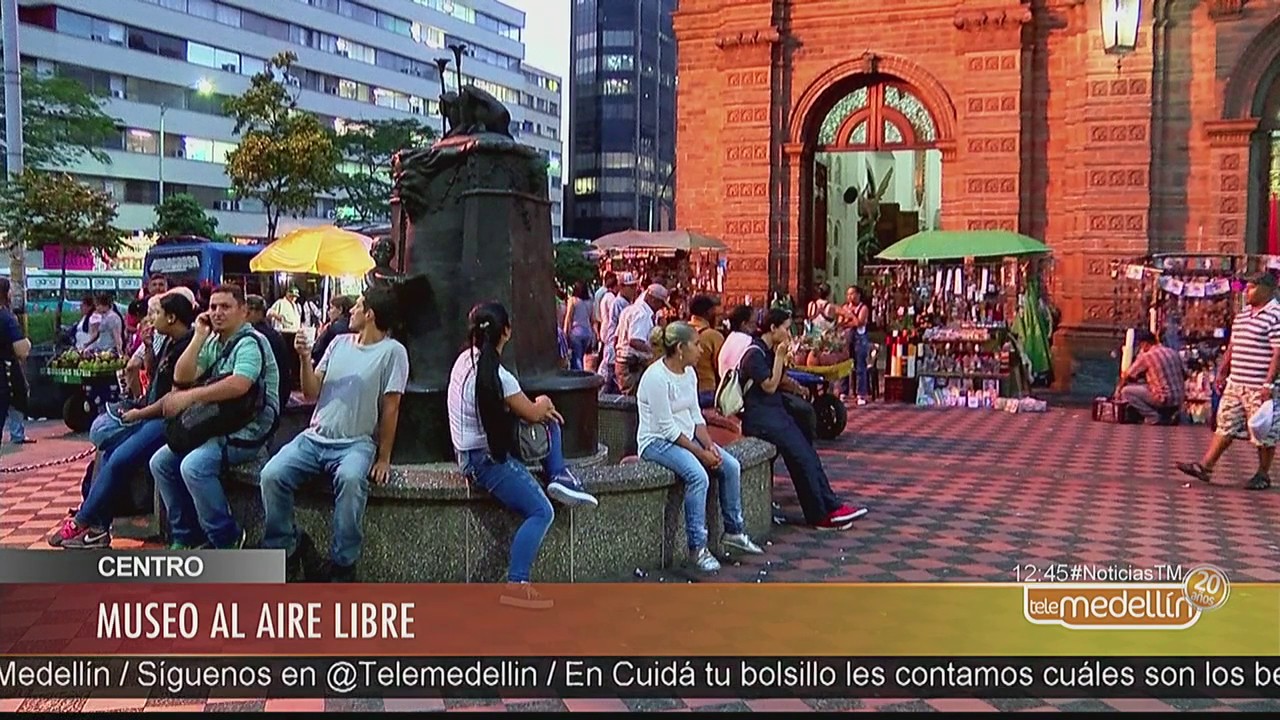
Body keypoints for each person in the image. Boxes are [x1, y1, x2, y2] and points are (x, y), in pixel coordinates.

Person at [447, 302, 598, 609]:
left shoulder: (463, 362)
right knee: (543, 511)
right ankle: (517, 584)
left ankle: (557, 475)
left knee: (545, 418)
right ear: (507, 332)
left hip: (468, 452)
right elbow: (533, 411)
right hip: (484, 461)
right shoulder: (500, 377)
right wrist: (543, 399)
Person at [258, 287, 410, 582]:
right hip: (315, 437)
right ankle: (286, 547)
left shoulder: (393, 352)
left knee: (352, 480)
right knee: (272, 475)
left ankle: (343, 564)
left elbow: (392, 408)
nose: (351, 310)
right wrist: (304, 358)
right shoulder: (338, 343)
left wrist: (384, 458)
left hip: (356, 443)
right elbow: (312, 391)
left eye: (358, 306)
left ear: (370, 315)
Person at [50, 292, 196, 549]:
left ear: (172, 317)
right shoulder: (170, 341)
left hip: (169, 419)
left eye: (157, 313)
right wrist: (150, 347)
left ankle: (84, 520)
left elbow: (174, 398)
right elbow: (152, 376)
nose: (151, 318)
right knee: (107, 451)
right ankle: (98, 529)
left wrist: (139, 414)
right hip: (151, 412)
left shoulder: (189, 346)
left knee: (119, 459)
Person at [149, 284, 281, 550]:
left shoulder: (251, 342)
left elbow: (239, 384)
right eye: (213, 307)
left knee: (194, 466)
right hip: (218, 421)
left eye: (225, 307)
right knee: (160, 461)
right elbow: (182, 376)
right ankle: (186, 534)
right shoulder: (214, 341)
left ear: (243, 311)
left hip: (249, 428)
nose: (218, 313)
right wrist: (198, 336)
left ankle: (226, 538)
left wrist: (191, 397)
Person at [636, 321, 763, 572]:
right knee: (698, 477)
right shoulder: (656, 377)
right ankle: (697, 547)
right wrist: (701, 454)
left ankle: (734, 532)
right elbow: (667, 429)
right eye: (696, 345)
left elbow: (696, 416)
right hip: (657, 441)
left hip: (686, 437)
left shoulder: (690, 373)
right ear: (681, 348)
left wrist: (710, 446)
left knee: (731, 466)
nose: (701, 350)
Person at [739, 308, 868, 528]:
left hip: (774, 413)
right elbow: (770, 386)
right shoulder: (754, 354)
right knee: (801, 456)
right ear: (773, 328)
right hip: (761, 417)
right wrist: (780, 358)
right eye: (786, 329)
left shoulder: (767, 351)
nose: (789, 334)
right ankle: (819, 514)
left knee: (807, 454)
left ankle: (831, 505)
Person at [1178, 271, 1280, 491]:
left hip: (1259, 384)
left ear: (1267, 290)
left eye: (1252, 287)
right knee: (1226, 423)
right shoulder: (1243, 315)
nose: (1247, 292)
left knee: (1263, 431)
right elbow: (1233, 345)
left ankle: (1263, 473)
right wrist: (1223, 371)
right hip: (1237, 381)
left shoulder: (1275, 315)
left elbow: (1277, 352)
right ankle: (1206, 466)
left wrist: (1268, 384)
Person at [1117, 329, 1184, 425]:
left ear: (1145, 344)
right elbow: (1184, 374)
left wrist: (1118, 389)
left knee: (1126, 391)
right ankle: (1168, 414)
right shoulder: (1172, 352)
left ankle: (1152, 416)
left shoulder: (1146, 356)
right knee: (1147, 386)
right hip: (1179, 398)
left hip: (1163, 398)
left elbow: (1127, 375)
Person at [614, 283, 670, 395]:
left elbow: (616, 338)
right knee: (632, 399)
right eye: (660, 304)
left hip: (622, 361)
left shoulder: (629, 310)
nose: (660, 308)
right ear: (654, 300)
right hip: (632, 365)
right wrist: (654, 353)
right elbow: (634, 341)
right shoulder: (643, 314)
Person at [0, 279, 31, 446]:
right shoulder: (7, 318)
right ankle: (17, 433)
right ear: (6, 293)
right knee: (16, 400)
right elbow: (22, 350)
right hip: (5, 374)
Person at [246, 294, 292, 406]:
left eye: (245, 311)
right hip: (280, 395)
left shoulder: (255, 336)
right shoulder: (273, 333)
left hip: (266, 401)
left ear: (255, 312)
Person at [598, 272, 639, 394]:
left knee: (612, 385)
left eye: (634, 286)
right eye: (630, 287)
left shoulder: (626, 303)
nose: (634, 290)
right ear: (621, 287)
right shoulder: (619, 303)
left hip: (616, 350)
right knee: (610, 384)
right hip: (614, 350)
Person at [687, 295, 725, 408]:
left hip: (683, 390)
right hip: (707, 391)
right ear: (708, 312)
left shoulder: (682, 331)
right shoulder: (713, 336)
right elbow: (721, 367)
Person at [838, 285, 872, 405]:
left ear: (858, 294)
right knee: (845, 366)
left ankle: (861, 394)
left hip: (859, 339)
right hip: (846, 339)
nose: (850, 297)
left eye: (852, 294)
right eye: (848, 294)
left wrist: (850, 317)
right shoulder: (845, 307)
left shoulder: (863, 308)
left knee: (860, 367)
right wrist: (847, 321)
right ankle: (843, 392)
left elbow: (859, 322)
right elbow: (840, 322)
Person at [311, 295, 355, 365]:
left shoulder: (332, 328)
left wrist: (320, 336)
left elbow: (317, 352)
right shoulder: (355, 328)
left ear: (340, 310)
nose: (329, 312)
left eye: (331, 308)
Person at [563, 281, 596, 372]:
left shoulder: (573, 301)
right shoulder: (590, 302)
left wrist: (565, 333)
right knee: (580, 356)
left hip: (576, 333)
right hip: (587, 333)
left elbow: (568, 318)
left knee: (576, 358)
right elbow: (592, 320)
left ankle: (578, 376)